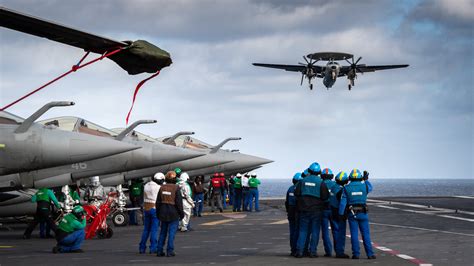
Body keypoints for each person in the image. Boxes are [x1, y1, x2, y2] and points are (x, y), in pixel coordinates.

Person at [294, 162, 329, 258]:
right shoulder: (321, 182)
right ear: (319, 172)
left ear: (309, 170)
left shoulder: (302, 181)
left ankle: (300, 251)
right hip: (316, 210)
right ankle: (313, 252)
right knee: (315, 231)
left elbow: (297, 194)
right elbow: (325, 196)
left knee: (303, 231)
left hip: (304, 209)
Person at [339, 169, 376, 260]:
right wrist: (366, 179)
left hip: (352, 214)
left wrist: (340, 214)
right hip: (363, 213)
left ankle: (356, 254)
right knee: (366, 234)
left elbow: (343, 203)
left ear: (350, 178)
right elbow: (370, 187)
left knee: (354, 234)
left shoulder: (346, 188)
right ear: (360, 177)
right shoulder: (365, 186)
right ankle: (370, 254)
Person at [156, 171, 184, 257]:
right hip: (173, 212)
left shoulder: (162, 188)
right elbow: (179, 203)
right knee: (171, 233)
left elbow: (158, 202)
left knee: (163, 232)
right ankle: (170, 251)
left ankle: (159, 250)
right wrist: (181, 214)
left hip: (163, 212)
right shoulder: (176, 188)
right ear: (175, 179)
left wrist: (158, 213)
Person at [139, 173, 164, 254]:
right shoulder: (158, 187)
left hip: (146, 208)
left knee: (146, 229)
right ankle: (153, 248)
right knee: (154, 229)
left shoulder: (146, 185)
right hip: (154, 208)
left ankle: (142, 248)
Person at [331, 171, 350, 259]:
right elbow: (343, 202)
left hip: (332, 211)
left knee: (335, 232)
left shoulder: (333, 187)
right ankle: (340, 252)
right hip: (339, 213)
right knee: (341, 233)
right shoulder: (342, 190)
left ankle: (337, 250)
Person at [320, 168, 337, 257]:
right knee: (336, 231)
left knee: (325, 232)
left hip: (323, 210)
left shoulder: (320, 184)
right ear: (331, 176)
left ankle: (328, 252)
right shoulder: (335, 184)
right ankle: (338, 251)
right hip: (334, 210)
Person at [285, 172, 302, 256]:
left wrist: (288, 211)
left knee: (292, 231)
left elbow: (287, 202)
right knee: (299, 231)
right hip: (298, 210)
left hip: (291, 210)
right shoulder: (301, 189)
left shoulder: (290, 188)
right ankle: (299, 249)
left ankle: (293, 249)